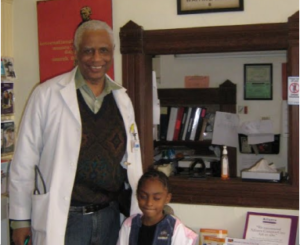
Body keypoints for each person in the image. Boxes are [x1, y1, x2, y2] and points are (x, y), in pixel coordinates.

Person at [9, 20, 143, 245]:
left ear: (112, 52)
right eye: (88, 51)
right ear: (75, 53)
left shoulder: (122, 99)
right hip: (66, 218)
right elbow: (24, 161)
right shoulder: (46, 95)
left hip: (111, 217)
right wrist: (20, 220)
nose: (97, 59)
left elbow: (131, 159)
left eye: (103, 50)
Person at [117, 169, 199, 245]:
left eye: (156, 198)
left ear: (167, 198)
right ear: (137, 196)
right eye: (143, 196)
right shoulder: (129, 225)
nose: (149, 203)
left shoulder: (175, 228)